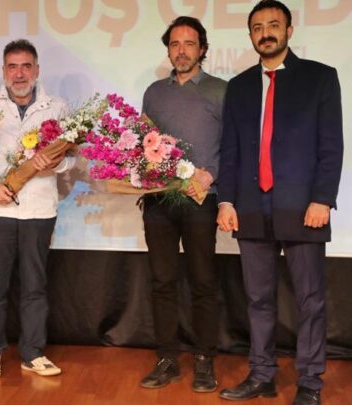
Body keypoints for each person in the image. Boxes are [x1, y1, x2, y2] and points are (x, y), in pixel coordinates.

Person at [216, 1, 343, 404]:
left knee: (310, 300)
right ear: (250, 35)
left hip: (304, 207)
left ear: (289, 30)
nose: (265, 32)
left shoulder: (320, 78)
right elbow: (230, 150)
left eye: (273, 25)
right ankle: (262, 375)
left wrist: (322, 199)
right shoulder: (238, 86)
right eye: (257, 27)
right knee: (258, 299)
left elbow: (331, 146)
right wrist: (226, 200)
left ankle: (310, 383)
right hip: (250, 207)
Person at [0, 39, 73, 379]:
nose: (19, 73)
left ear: (37, 70)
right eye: (12, 67)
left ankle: (33, 353)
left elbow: (72, 158)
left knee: (35, 287)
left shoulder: (57, 107)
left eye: (26, 66)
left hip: (39, 211)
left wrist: (54, 164)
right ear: (3, 71)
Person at [138, 16, 227, 393]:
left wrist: (212, 174)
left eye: (190, 44)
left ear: (202, 49)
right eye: (175, 44)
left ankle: (204, 359)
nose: (182, 51)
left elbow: (235, 146)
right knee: (162, 281)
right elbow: (142, 145)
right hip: (159, 201)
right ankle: (167, 359)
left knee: (203, 281)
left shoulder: (221, 91)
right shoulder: (154, 93)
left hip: (200, 200)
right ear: (168, 50)